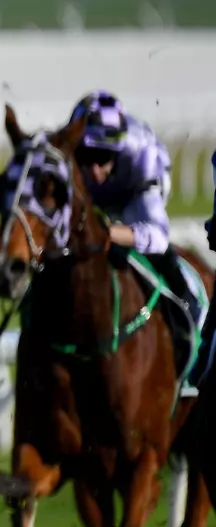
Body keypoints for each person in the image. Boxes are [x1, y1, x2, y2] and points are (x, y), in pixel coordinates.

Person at [68, 91, 204, 366]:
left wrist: (108, 232)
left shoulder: (142, 154)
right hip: (101, 195)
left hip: (135, 191)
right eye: (86, 156)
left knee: (138, 242)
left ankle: (186, 302)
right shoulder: (70, 154)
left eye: (102, 157)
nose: (94, 170)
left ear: (117, 150)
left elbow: (157, 237)